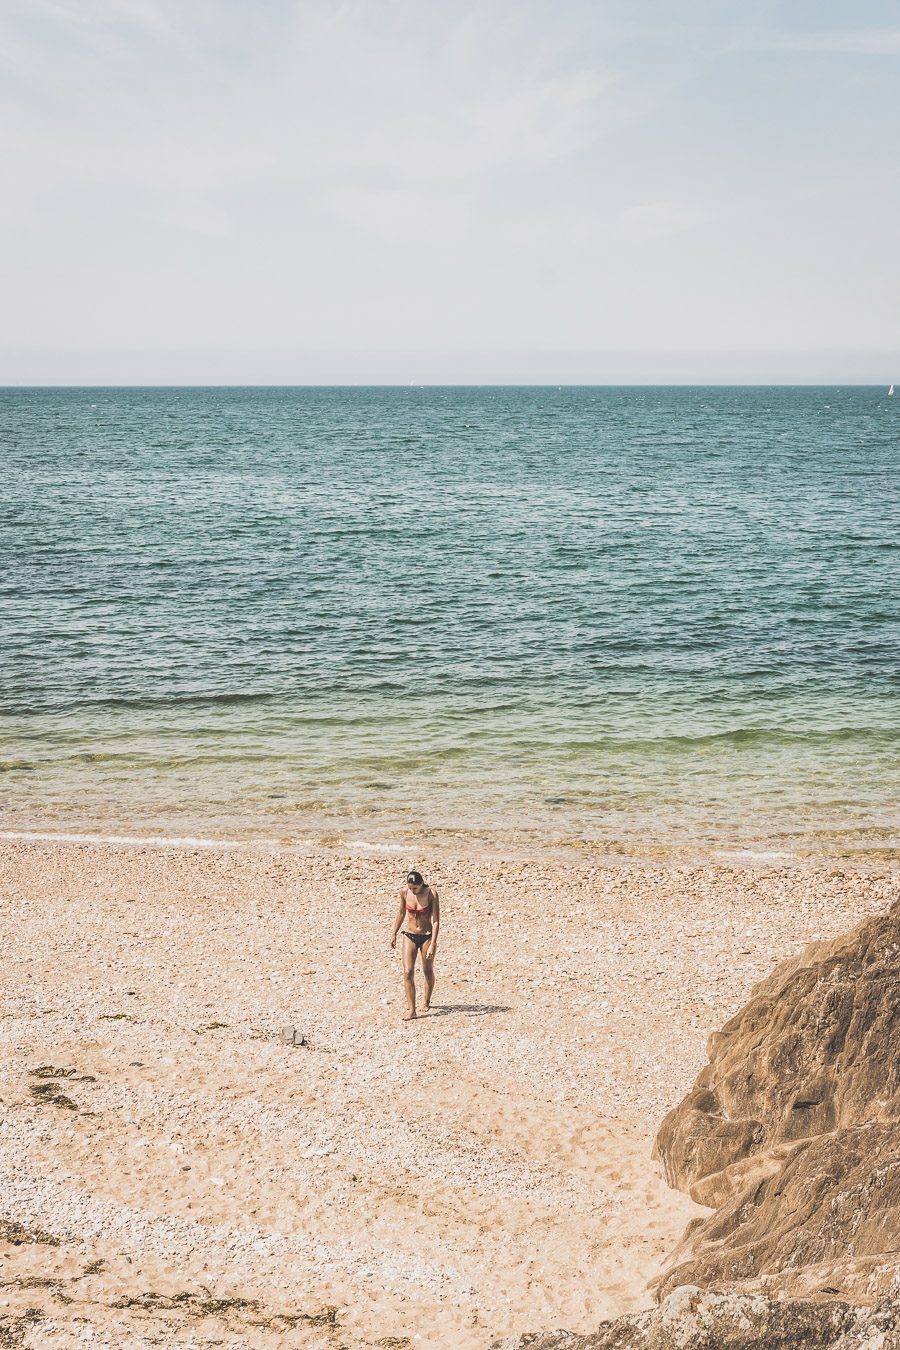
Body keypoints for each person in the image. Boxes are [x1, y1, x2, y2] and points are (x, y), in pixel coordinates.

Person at [390, 869, 440, 1020]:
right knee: (408, 971)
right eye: (410, 888)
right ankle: (412, 1010)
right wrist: (394, 933)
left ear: (422, 884)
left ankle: (426, 1000)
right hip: (409, 935)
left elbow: (436, 920)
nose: (413, 891)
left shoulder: (432, 894)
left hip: (427, 936)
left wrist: (433, 943)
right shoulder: (404, 893)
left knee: (427, 971)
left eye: (415, 888)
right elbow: (401, 913)